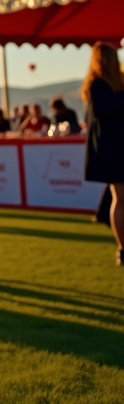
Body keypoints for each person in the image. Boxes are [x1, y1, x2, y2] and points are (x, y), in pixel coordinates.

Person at [81, 43, 124, 267]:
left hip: (117, 147)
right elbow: (102, 110)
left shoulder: (115, 82)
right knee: (120, 198)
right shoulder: (98, 85)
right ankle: (122, 248)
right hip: (113, 150)